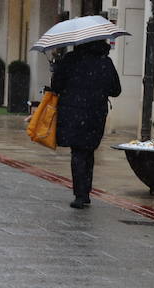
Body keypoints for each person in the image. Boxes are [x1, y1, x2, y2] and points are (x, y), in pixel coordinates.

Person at [51, 39, 121, 209]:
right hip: (96, 113)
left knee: (78, 152)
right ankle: (85, 191)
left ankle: (80, 194)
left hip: (72, 112)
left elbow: (56, 86)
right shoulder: (105, 62)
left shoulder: (70, 60)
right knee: (88, 150)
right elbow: (116, 90)